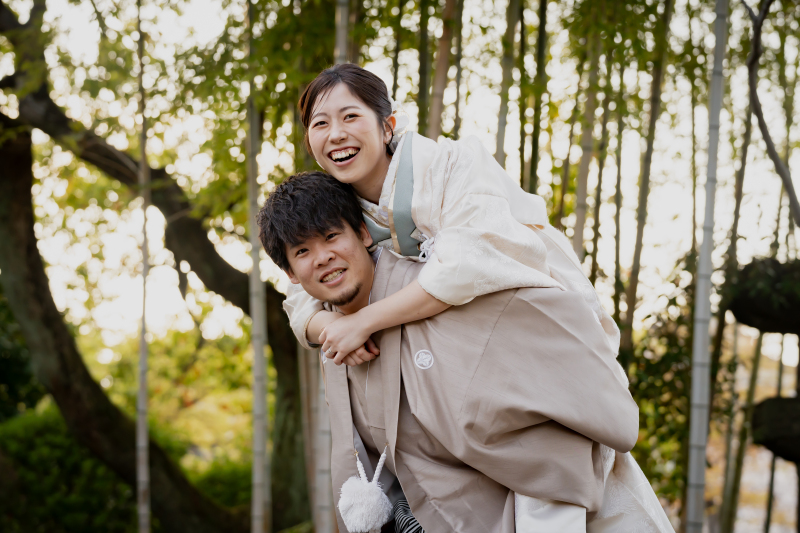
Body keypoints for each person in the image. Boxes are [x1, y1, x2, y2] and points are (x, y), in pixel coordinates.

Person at [257, 171, 674, 533]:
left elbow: (548, 312)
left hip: (533, 497)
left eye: (332, 237)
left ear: (364, 233)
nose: (324, 257)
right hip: (423, 512)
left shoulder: (438, 288)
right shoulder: (332, 330)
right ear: (292, 274)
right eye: (303, 252)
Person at [283, 63, 618, 370]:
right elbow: (300, 290)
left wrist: (362, 322)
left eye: (351, 116)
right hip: (449, 366)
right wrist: (331, 328)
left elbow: (465, 265)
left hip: (529, 334)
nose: (336, 134)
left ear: (388, 127)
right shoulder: (331, 203)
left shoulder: (452, 165)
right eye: (320, 123)